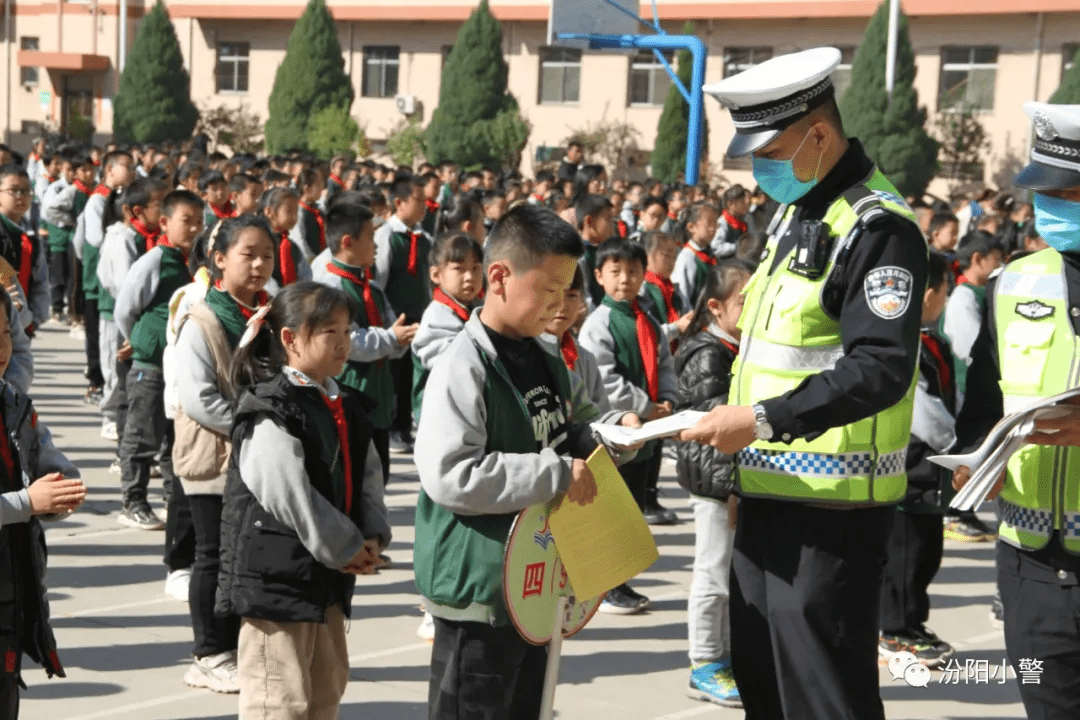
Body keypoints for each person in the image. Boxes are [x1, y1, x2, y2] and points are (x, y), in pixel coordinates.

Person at [683, 47, 927, 720]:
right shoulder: (798, 214)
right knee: (766, 692)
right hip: (766, 498)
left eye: (772, 151)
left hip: (832, 519)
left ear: (819, 135)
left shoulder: (879, 227)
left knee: (822, 700)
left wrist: (759, 421)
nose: (761, 171)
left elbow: (879, 366)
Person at [413, 203, 640, 719]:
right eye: (549, 290)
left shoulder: (543, 356)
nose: (560, 305)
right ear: (499, 277)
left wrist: (617, 433)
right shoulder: (461, 365)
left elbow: (576, 423)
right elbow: (452, 475)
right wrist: (556, 473)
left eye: (568, 292)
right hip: (480, 591)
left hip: (535, 582)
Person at [951, 101, 1080, 720]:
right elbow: (981, 405)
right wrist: (975, 460)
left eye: (1065, 193)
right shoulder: (1014, 282)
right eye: (1041, 193)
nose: (1046, 207)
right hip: (1029, 565)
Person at [218, 282, 390, 720]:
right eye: (329, 331)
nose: (343, 342)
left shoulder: (344, 402)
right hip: (278, 583)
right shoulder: (270, 406)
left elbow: (368, 478)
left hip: (326, 578)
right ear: (290, 339)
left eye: (347, 330)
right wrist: (344, 545)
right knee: (279, 702)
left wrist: (371, 536)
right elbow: (287, 494)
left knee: (324, 696)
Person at [172, 215, 274, 694]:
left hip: (250, 454)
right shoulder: (203, 318)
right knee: (212, 553)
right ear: (218, 259)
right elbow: (198, 398)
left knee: (241, 552)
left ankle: (233, 646)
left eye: (266, 256)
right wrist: (252, 422)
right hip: (213, 457)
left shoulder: (266, 315)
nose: (258, 264)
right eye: (247, 254)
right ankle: (208, 652)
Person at [0, 286, 86, 718]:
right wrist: (26, 501)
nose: (1, 348)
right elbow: (26, 498)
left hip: (10, 592)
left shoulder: (13, 403)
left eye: (5, 333)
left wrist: (58, 494)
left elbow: (51, 465)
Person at [580, 238, 677, 607]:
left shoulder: (647, 320)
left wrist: (668, 399)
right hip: (617, 433)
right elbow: (605, 378)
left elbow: (665, 364)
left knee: (633, 511)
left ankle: (620, 581)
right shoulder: (599, 323)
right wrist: (645, 405)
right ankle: (605, 586)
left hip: (648, 431)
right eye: (615, 271)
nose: (625, 279)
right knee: (613, 511)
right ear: (599, 276)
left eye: (633, 271)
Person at [674, 259, 751, 708]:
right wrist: (731, 489)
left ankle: (723, 658)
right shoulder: (709, 353)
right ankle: (704, 662)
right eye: (744, 300)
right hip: (715, 484)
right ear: (716, 307)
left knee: (729, 575)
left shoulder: (739, 347)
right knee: (712, 574)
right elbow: (716, 429)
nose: (752, 307)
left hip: (733, 481)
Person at [878, 252, 957, 669]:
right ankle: (895, 630)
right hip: (912, 460)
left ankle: (912, 622)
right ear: (928, 294)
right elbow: (924, 413)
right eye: (946, 291)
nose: (946, 299)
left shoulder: (931, 340)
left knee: (926, 550)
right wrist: (955, 443)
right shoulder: (904, 342)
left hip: (932, 465)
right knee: (907, 551)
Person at [114, 190, 203, 531]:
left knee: (172, 435)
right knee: (141, 435)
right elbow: (126, 307)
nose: (195, 228)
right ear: (164, 222)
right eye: (187, 221)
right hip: (150, 362)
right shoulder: (154, 260)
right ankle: (133, 500)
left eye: (200, 221)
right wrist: (137, 339)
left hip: (180, 364)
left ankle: (172, 497)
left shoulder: (193, 262)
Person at [312, 202, 416, 490]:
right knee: (351, 480)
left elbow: (392, 328)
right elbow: (347, 341)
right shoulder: (329, 288)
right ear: (348, 242)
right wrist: (392, 338)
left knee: (378, 477)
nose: (377, 245)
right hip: (349, 393)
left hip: (378, 397)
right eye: (370, 237)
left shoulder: (373, 288)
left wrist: (401, 338)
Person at [374, 175, 433, 452]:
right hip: (395, 319)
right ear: (399, 203)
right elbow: (380, 280)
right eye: (418, 200)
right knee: (395, 375)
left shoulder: (423, 239)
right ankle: (393, 427)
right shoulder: (387, 237)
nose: (424, 206)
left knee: (414, 373)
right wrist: (386, 318)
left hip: (419, 318)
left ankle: (406, 427)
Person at [73, 151, 135, 405]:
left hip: (103, 281)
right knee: (102, 339)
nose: (132, 171)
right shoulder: (97, 200)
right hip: (100, 283)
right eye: (127, 166)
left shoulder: (113, 197)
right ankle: (98, 385)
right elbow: (87, 241)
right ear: (109, 169)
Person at [411, 231, 483, 425]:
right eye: (459, 269)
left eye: (476, 268)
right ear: (436, 274)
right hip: (439, 418)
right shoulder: (436, 316)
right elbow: (453, 368)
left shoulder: (475, 308)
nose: (469, 277)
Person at [0, 165, 49, 334]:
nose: (21, 196)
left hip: (22, 324)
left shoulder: (29, 236)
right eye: (14, 190)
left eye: (26, 191)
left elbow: (40, 279)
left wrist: (34, 317)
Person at [641, 230, 693, 349]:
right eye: (667, 255)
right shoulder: (642, 289)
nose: (672, 262)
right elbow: (645, 333)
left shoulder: (675, 290)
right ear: (648, 256)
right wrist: (676, 328)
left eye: (674, 257)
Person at [41, 151, 77, 322]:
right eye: (68, 169)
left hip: (73, 238)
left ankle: (72, 309)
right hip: (59, 237)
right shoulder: (56, 188)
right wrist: (67, 221)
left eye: (74, 170)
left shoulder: (79, 188)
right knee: (58, 275)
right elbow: (48, 211)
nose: (72, 173)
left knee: (72, 276)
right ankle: (57, 308)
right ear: (62, 169)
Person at [261, 186, 311, 294]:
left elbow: (306, 275)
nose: (294, 217)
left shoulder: (290, 245)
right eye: (289, 210)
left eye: (296, 211)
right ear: (269, 212)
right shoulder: (260, 242)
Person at [671, 202, 720, 311]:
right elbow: (683, 298)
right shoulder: (687, 258)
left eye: (715, 223)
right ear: (691, 227)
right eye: (709, 223)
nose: (713, 228)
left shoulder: (710, 253)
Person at [575, 194, 616, 309]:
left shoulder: (605, 250)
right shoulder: (579, 255)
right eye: (608, 219)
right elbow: (586, 296)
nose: (612, 225)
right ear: (589, 221)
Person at [291, 167, 326, 262]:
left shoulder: (317, 210)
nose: (322, 188)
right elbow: (299, 240)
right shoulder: (298, 212)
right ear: (307, 188)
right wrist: (314, 260)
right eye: (318, 184)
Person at [711, 185, 749, 259]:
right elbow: (716, 248)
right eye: (742, 202)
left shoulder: (742, 222)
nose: (746, 204)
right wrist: (738, 246)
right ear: (731, 204)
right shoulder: (722, 223)